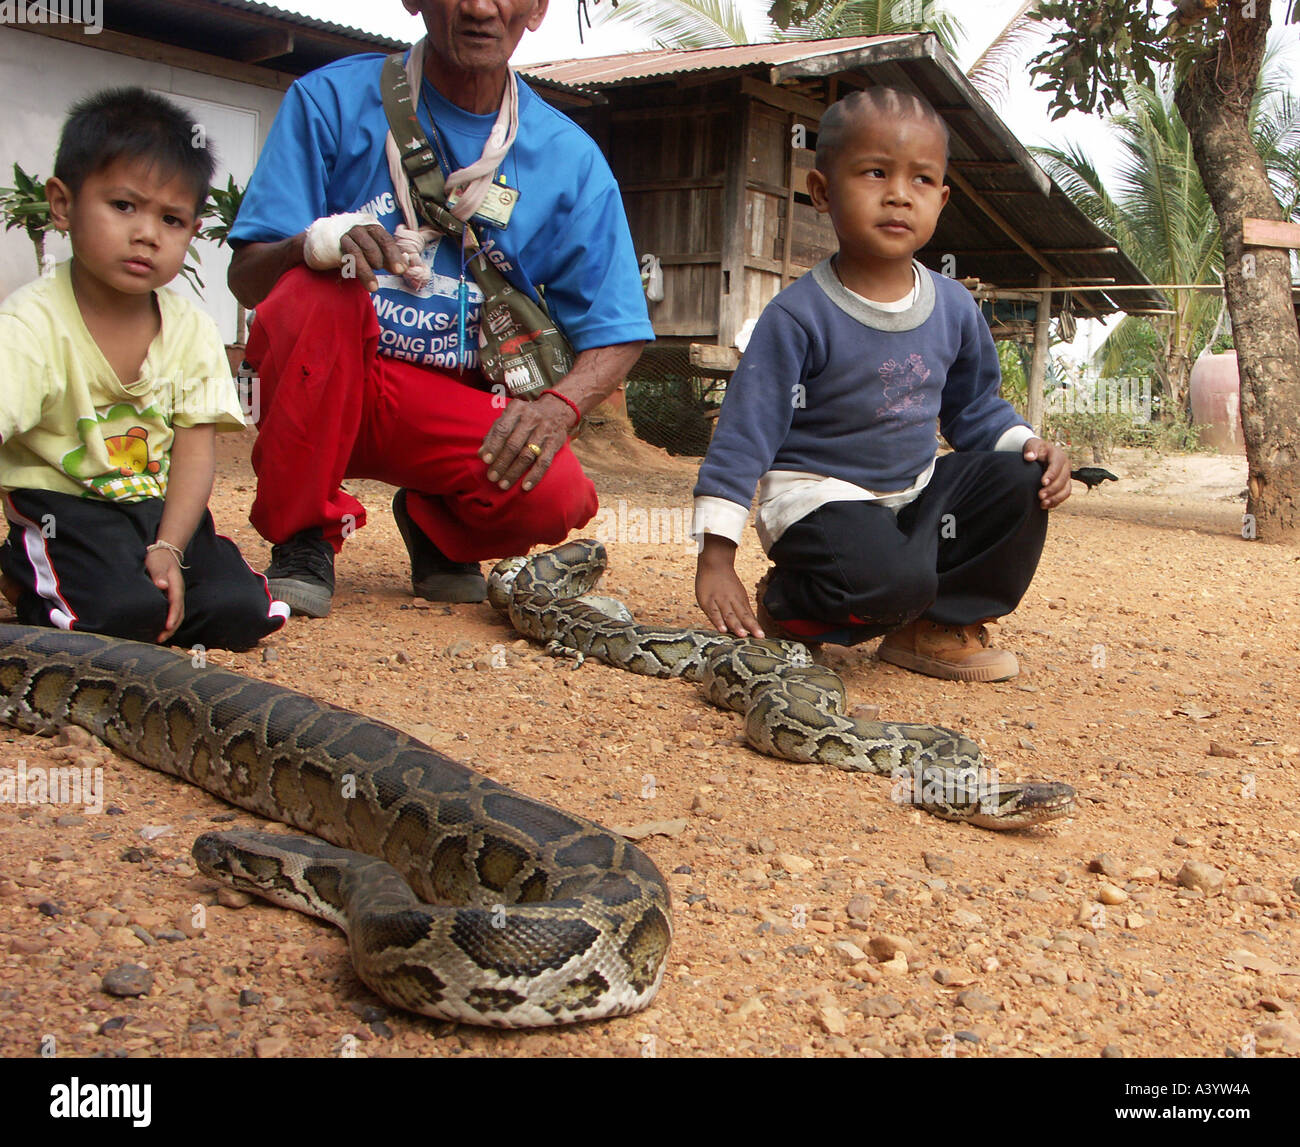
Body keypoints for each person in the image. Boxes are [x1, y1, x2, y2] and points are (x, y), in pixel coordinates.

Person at [227, 0, 652, 618]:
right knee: (317, 286)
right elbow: (248, 278)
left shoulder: (571, 158)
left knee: (556, 493)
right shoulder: (330, 101)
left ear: (536, 9)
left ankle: (439, 525)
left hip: (450, 406)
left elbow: (619, 332)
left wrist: (558, 407)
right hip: (327, 387)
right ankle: (302, 536)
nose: (481, 7)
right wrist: (312, 244)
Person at [693, 87, 1071, 682]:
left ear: (941, 200)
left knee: (1020, 479)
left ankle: (935, 626)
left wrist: (1028, 444)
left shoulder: (953, 306)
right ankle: (793, 604)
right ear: (822, 191)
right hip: (819, 502)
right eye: (874, 172)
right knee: (893, 581)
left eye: (921, 180)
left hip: (913, 496)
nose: (898, 194)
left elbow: (973, 409)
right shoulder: (798, 316)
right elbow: (744, 436)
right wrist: (717, 558)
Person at [0, 88, 288, 651]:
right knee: (121, 616)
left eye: (172, 219)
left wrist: (169, 548)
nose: (147, 235)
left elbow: (194, 451)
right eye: (123, 206)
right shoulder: (29, 326)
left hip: (156, 510)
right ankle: (27, 573)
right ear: (62, 204)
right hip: (67, 510)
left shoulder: (192, 329)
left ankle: (128, 589)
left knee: (241, 611)